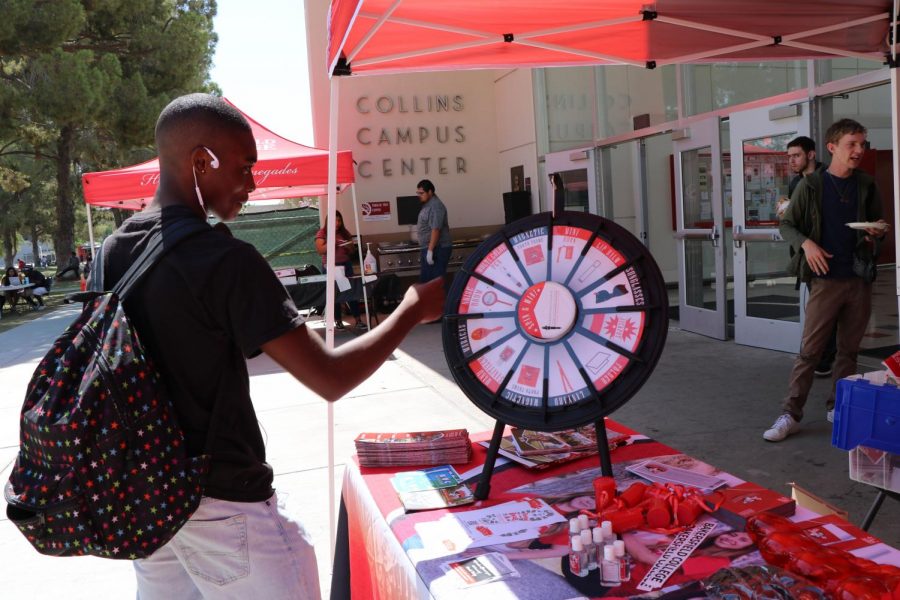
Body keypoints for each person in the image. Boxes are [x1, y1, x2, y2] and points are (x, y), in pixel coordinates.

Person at [98, 93, 444, 599]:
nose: (252, 185)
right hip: (224, 506)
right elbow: (329, 377)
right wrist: (411, 308)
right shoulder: (227, 261)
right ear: (201, 161)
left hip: (147, 505)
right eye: (244, 167)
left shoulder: (113, 252)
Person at [764, 119, 889, 442]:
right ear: (832, 147)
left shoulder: (865, 184)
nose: (859, 150)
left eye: (863, 144)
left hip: (858, 279)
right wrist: (806, 244)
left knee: (848, 351)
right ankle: (790, 413)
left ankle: (839, 407)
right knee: (811, 351)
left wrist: (877, 232)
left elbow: (879, 225)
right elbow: (788, 226)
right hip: (825, 280)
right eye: (852, 144)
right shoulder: (812, 186)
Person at [786, 136, 836, 378]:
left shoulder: (830, 178)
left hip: (829, 253)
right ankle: (819, 356)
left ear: (811, 154)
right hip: (807, 255)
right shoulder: (795, 183)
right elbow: (793, 221)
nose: (792, 161)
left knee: (827, 310)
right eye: (789, 156)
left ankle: (824, 358)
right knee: (817, 309)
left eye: (796, 155)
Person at [315, 210, 363, 329]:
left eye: (339, 221)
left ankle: (358, 320)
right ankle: (338, 321)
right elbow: (320, 250)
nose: (337, 223)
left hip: (346, 265)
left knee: (351, 292)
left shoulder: (345, 233)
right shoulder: (323, 233)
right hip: (330, 267)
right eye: (334, 221)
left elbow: (352, 249)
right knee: (334, 294)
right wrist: (332, 243)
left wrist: (348, 246)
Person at [415, 179, 452, 286]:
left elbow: (436, 229)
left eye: (422, 193)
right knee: (427, 281)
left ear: (430, 192)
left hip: (438, 248)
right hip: (431, 247)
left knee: (434, 282)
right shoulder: (427, 204)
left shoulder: (435, 206)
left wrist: (430, 251)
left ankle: (441, 303)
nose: (419, 195)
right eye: (418, 193)